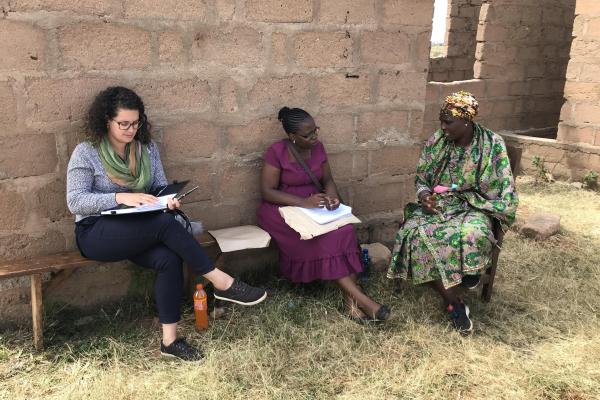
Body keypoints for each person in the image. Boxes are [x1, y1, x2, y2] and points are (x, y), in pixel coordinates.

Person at [66, 86, 267, 361]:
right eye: (123, 124)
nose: (130, 129)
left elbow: (159, 187)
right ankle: (222, 282)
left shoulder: (146, 148)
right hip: (96, 232)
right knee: (163, 225)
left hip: (138, 227)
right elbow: (76, 202)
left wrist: (168, 201)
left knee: (168, 257)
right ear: (106, 121)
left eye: (135, 123)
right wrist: (120, 196)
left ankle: (170, 342)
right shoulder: (86, 152)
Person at [387, 91, 518, 333]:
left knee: (473, 234)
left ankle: (467, 274)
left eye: (448, 122)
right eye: (441, 121)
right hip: (440, 204)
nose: (443, 127)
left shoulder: (492, 144)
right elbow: (422, 178)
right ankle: (454, 302)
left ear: (466, 121)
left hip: (476, 205)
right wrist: (425, 197)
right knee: (414, 233)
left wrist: (475, 199)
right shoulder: (437, 141)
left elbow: (503, 190)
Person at [257, 107, 390, 323]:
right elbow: (267, 191)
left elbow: (327, 180)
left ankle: (350, 302)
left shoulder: (318, 148)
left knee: (345, 230)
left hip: (316, 206)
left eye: (315, 131)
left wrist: (332, 197)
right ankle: (361, 300)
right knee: (322, 238)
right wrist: (303, 202)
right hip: (283, 209)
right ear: (292, 136)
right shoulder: (277, 152)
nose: (314, 138)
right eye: (307, 135)